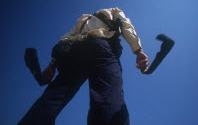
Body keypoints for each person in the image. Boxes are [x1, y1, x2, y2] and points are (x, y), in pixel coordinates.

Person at [18, 7, 149, 125]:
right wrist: (138, 51)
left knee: (52, 97)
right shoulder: (113, 11)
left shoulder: (82, 20)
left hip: (73, 54)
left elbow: (64, 40)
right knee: (107, 96)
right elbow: (126, 26)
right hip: (100, 49)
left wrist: (52, 64)